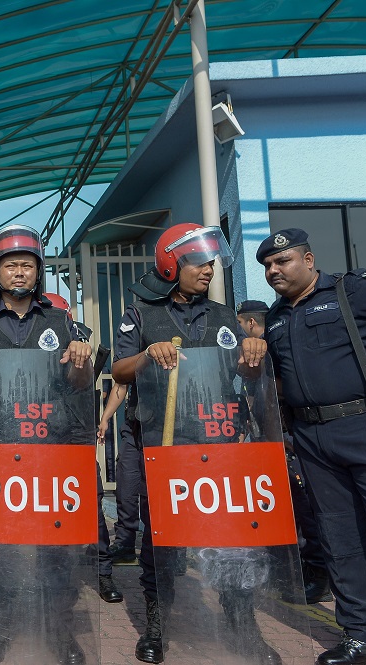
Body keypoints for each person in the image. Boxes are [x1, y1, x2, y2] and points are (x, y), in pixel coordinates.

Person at [110, 223, 271, 665]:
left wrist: (254, 352)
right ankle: (157, 624)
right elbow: (121, 370)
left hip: (218, 445)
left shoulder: (223, 314)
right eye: (199, 262)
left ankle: (244, 624)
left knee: (230, 539)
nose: (208, 269)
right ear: (170, 265)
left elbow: (246, 372)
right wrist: (148, 355)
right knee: (164, 540)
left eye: (211, 262)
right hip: (164, 447)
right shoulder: (140, 312)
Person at [0, 225, 92, 665]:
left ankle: (60, 629)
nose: (19, 272)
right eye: (10, 265)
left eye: (27, 265)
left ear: (38, 272)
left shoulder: (58, 320)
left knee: (55, 542)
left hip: (49, 446)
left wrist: (82, 361)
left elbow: (76, 383)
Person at [257, 228, 366, 665]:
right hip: (311, 437)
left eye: (281, 262)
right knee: (341, 537)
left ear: (307, 259)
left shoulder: (351, 291)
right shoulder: (275, 318)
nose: (273, 271)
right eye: (267, 266)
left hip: (361, 424)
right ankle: (360, 633)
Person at [238, 298, 332, 605]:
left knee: (306, 508)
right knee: (281, 510)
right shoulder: (263, 350)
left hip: (292, 438)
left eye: (240, 326)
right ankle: (294, 571)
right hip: (271, 441)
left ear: (251, 323)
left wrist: (287, 434)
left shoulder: (273, 348)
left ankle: (318, 576)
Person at [44, 292, 124, 606]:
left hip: (75, 433)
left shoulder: (77, 337)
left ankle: (104, 574)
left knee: (90, 505)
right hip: (41, 435)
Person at [97, 383, 140, 565]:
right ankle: (125, 544)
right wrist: (105, 418)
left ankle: (173, 552)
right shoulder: (133, 357)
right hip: (135, 427)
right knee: (125, 487)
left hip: (169, 426)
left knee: (166, 490)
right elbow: (121, 383)